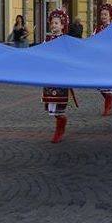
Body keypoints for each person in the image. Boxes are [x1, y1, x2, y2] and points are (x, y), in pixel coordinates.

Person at [42, 9, 75, 143]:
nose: (53, 25)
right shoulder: (47, 39)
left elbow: (69, 56)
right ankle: (59, 124)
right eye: (52, 23)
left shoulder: (65, 40)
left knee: (59, 107)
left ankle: (59, 130)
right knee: (51, 106)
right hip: (49, 76)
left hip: (61, 76)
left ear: (62, 25)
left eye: (56, 23)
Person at [94, 3, 112, 115]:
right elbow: (93, 41)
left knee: (107, 83)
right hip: (100, 59)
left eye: (105, 14)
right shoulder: (98, 28)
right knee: (98, 83)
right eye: (102, 14)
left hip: (110, 60)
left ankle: (108, 104)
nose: (103, 16)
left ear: (110, 16)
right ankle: (109, 98)